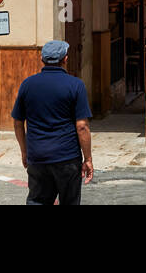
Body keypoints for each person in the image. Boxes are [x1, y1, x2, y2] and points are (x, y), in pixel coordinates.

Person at [11, 40, 94, 205]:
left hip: (38, 156)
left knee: (38, 201)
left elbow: (18, 122)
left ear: (41, 58)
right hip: (67, 157)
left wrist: (24, 151)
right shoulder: (76, 85)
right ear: (65, 59)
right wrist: (88, 158)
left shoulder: (27, 84)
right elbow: (82, 127)